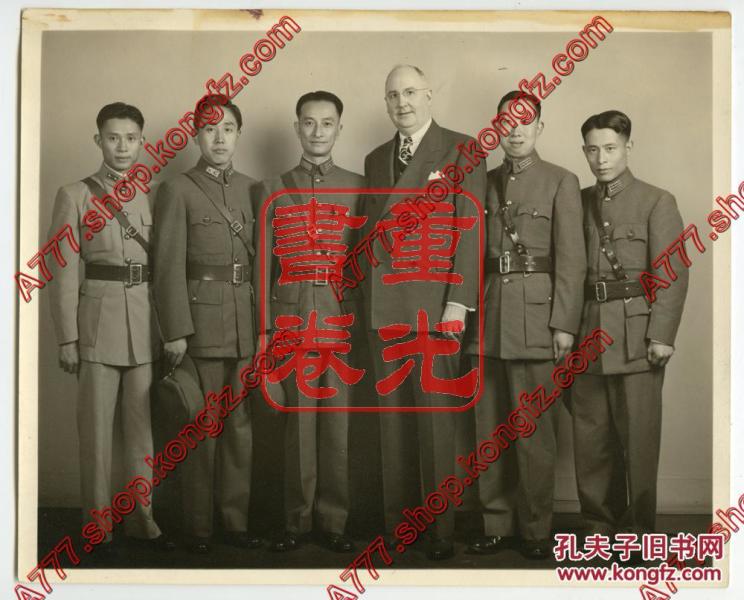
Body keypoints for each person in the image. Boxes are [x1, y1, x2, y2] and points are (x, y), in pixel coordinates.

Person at [363, 64, 487, 560]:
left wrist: (458, 303)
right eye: (393, 95)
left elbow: (471, 230)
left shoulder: (462, 149)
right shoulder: (376, 158)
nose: (403, 103)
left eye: (411, 92)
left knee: (436, 423)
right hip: (386, 306)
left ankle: (439, 531)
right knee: (392, 423)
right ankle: (398, 527)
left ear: (429, 95)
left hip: (436, 308)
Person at [463, 91, 586, 559]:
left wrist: (564, 324)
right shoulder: (483, 182)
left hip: (537, 321)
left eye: (524, 121)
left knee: (533, 432)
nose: (515, 130)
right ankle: (496, 523)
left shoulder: (561, 180)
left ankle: (535, 529)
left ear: (539, 127)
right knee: (488, 430)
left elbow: (572, 261)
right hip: (487, 319)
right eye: (506, 122)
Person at [48, 102, 174, 555]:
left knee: (142, 432)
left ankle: (142, 520)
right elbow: (62, 270)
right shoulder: (75, 194)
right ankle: (96, 527)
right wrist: (67, 337)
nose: (122, 147)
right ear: (98, 140)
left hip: (143, 324)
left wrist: (168, 329)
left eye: (131, 138)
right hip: (96, 327)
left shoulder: (156, 194)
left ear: (142, 142)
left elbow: (167, 266)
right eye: (113, 137)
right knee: (96, 433)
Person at [573, 109, 688, 547]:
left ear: (628, 147)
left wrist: (661, 334)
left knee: (638, 440)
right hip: (586, 333)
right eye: (592, 150)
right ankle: (598, 527)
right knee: (590, 438)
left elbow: (672, 272)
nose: (601, 159)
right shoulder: (577, 200)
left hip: (636, 337)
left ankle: (638, 533)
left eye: (610, 148)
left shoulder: (656, 201)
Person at [255, 90, 363, 554]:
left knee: (337, 425)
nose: (318, 132)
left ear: (340, 128)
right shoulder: (272, 188)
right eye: (309, 122)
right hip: (292, 315)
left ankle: (334, 522)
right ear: (296, 127)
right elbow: (263, 266)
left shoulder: (359, 187)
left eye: (327, 123)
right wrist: (265, 329)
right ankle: (296, 522)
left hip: (340, 316)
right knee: (299, 423)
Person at [153, 94, 259, 554]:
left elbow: (261, 265)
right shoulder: (178, 189)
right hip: (200, 327)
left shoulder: (253, 189)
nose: (219, 138)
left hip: (244, 327)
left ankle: (235, 523)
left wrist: (263, 329)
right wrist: (176, 330)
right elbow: (166, 266)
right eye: (210, 129)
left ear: (238, 134)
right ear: (196, 135)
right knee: (202, 427)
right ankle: (199, 528)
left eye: (228, 129)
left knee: (240, 429)